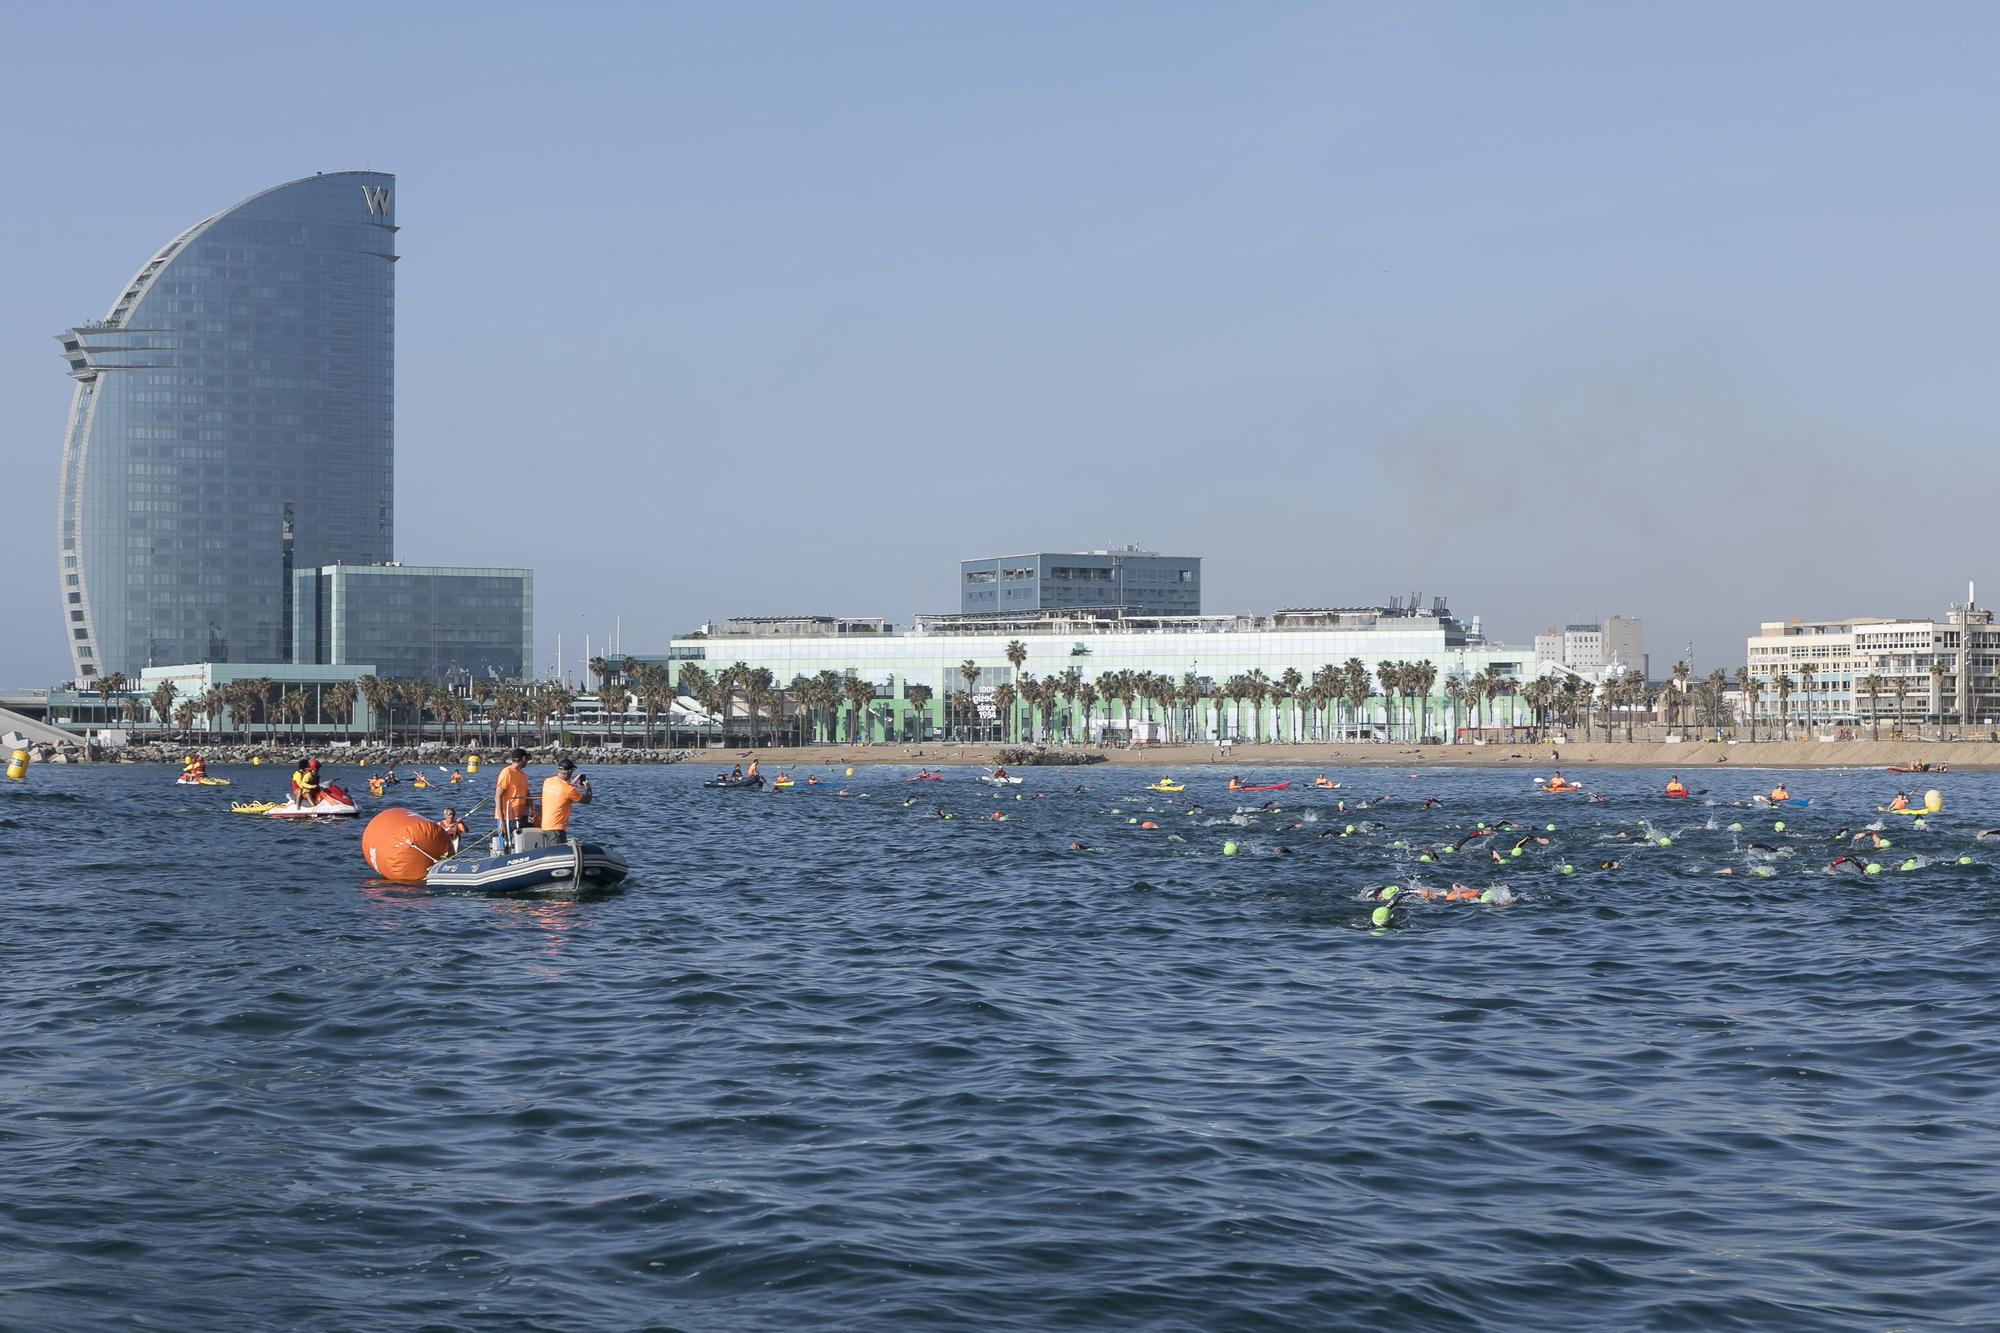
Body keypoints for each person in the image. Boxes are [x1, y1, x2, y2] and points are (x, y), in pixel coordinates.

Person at [539, 758, 591, 839]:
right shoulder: (568, 790)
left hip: (545, 826)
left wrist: (571, 784)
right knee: (557, 851)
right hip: (557, 830)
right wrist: (588, 787)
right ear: (570, 771)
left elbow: (561, 790)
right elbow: (587, 800)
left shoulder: (547, 781)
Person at [494, 748, 532, 845]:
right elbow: (497, 797)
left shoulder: (523, 775)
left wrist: (531, 811)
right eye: (526, 759)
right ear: (523, 758)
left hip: (520, 816)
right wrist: (502, 821)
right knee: (506, 844)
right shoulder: (507, 772)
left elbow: (527, 795)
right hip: (506, 816)